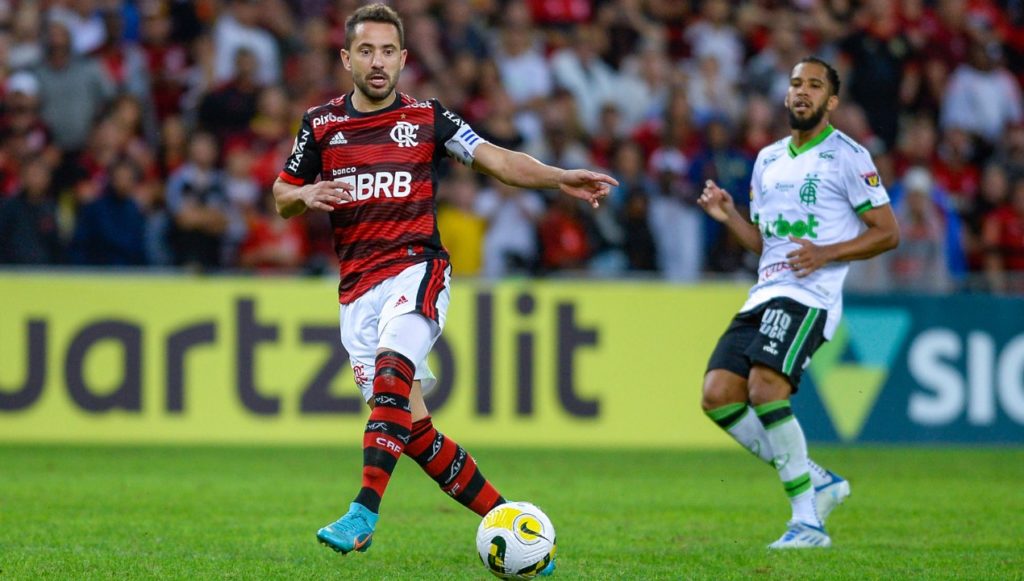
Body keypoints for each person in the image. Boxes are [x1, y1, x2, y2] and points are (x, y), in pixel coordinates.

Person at [271, 3, 616, 564]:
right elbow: (281, 194)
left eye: (387, 51)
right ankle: (521, 531)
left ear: (404, 58)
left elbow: (496, 159)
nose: (377, 62)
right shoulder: (321, 124)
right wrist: (304, 195)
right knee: (412, 432)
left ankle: (363, 511)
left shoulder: (429, 118)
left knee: (392, 373)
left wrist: (559, 178)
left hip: (417, 268)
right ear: (346, 58)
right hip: (357, 290)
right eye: (366, 51)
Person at [697, 57, 900, 549]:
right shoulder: (767, 160)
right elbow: (765, 244)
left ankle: (807, 521)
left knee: (767, 389)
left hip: (810, 296)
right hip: (765, 291)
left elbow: (888, 232)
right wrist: (729, 217)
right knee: (718, 394)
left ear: (831, 101)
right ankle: (818, 479)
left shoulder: (849, 156)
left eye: (814, 85)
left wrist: (828, 252)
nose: (801, 92)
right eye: (795, 84)